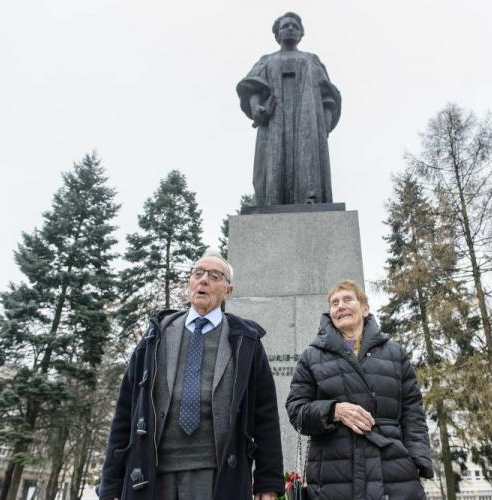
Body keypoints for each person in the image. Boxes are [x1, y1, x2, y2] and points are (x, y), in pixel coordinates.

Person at [98, 251, 283, 500]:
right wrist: (111, 484)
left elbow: (265, 415)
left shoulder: (245, 342)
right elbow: (125, 412)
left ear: (228, 290)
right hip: (153, 476)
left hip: (215, 476)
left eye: (214, 276)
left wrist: (267, 482)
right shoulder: (155, 337)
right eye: (198, 273)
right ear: (190, 283)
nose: (203, 280)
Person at [286, 279, 433, 499]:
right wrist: (334, 411)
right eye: (334, 303)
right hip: (334, 475)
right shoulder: (312, 356)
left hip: (394, 472)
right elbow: (296, 411)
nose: (340, 306)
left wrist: (418, 462)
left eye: (347, 299)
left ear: (365, 308)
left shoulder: (395, 354)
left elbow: (413, 413)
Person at [237, 12, 341, 206]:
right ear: (277, 35)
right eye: (286, 26)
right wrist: (255, 106)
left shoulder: (311, 59)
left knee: (308, 157)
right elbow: (252, 87)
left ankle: (311, 198)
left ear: (301, 33)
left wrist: (325, 122)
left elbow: (328, 95)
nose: (291, 28)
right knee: (273, 160)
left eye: (295, 26)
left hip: (308, 121)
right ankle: (272, 200)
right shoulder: (267, 60)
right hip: (275, 120)